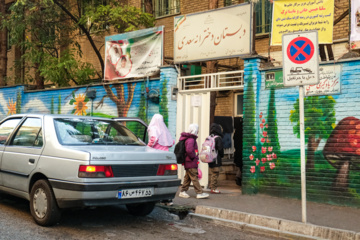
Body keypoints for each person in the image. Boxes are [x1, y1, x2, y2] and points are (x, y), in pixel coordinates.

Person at [147, 114, 175, 205]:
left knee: (153, 177)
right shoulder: (164, 129)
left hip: (155, 155)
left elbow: (153, 139)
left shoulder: (153, 128)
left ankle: (153, 196)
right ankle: (167, 199)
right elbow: (171, 142)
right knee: (164, 178)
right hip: (165, 156)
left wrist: (147, 147)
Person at [179, 124, 209, 199]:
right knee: (194, 177)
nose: (198, 131)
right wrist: (194, 157)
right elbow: (189, 150)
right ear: (195, 130)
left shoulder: (189, 139)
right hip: (190, 161)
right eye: (197, 129)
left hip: (188, 161)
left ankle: (183, 191)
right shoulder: (191, 140)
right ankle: (199, 193)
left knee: (188, 177)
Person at [208, 123, 224, 194]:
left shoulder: (209, 137)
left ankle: (211, 186)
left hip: (209, 158)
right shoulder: (218, 138)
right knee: (215, 173)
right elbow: (220, 149)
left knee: (212, 173)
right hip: (216, 159)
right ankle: (213, 188)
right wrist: (222, 155)